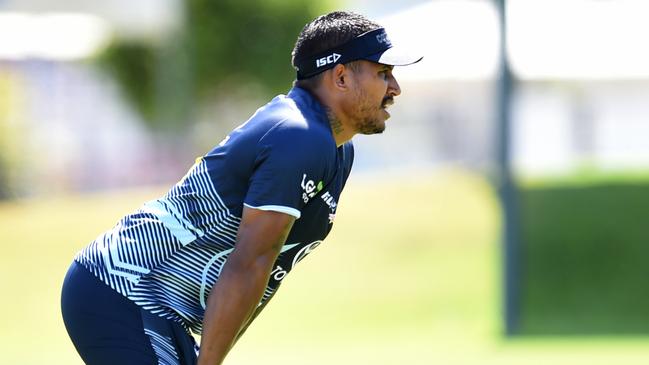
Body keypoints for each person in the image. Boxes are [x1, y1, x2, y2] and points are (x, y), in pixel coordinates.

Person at [61, 10, 422, 365]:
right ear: (340, 76)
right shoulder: (301, 139)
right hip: (121, 292)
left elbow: (266, 273)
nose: (395, 88)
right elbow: (250, 263)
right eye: (383, 73)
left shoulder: (337, 151)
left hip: (155, 309)